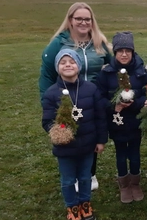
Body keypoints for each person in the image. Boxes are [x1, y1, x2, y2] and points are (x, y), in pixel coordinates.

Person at [38, 2, 112, 191]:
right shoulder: (59, 43)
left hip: (92, 99)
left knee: (91, 133)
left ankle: (90, 173)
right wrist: (47, 102)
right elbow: (46, 74)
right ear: (70, 20)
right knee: (71, 135)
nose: (83, 22)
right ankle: (73, 174)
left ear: (92, 21)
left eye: (87, 19)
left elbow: (113, 66)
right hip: (65, 98)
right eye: (78, 18)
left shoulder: (99, 42)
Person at [41, 49, 107, 220]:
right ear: (57, 67)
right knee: (68, 180)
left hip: (87, 145)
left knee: (85, 177)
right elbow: (47, 121)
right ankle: (72, 207)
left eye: (71, 61)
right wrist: (58, 133)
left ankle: (85, 204)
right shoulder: (51, 93)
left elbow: (100, 117)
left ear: (79, 65)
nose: (68, 65)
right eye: (63, 62)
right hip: (65, 148)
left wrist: (101, 141)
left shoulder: (91, 89)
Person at [96, 31, 147, 204]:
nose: (124, 54)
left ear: (133, 52)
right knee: (121, 154)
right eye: (120, 50)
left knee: (135, 154)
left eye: (127, 50)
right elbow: (99, 97)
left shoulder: (141, 71)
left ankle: (135, 184)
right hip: (117, 122)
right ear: (114, 52)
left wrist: (136, 102)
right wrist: (114, 106)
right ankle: (124, 185)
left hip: (136, 121)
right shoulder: (106, 73)